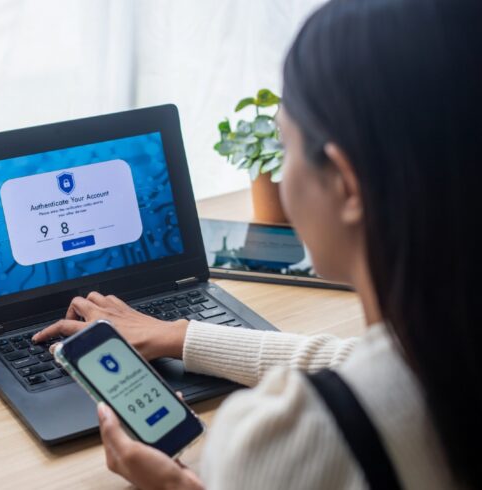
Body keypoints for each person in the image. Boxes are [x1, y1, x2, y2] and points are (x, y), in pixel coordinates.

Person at [33, 0, 481, 487]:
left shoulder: (284, 441)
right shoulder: (441, 350)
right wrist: (178, 335)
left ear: (347, 186)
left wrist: (175, 484)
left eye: (284, 149)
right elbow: (357, 361)